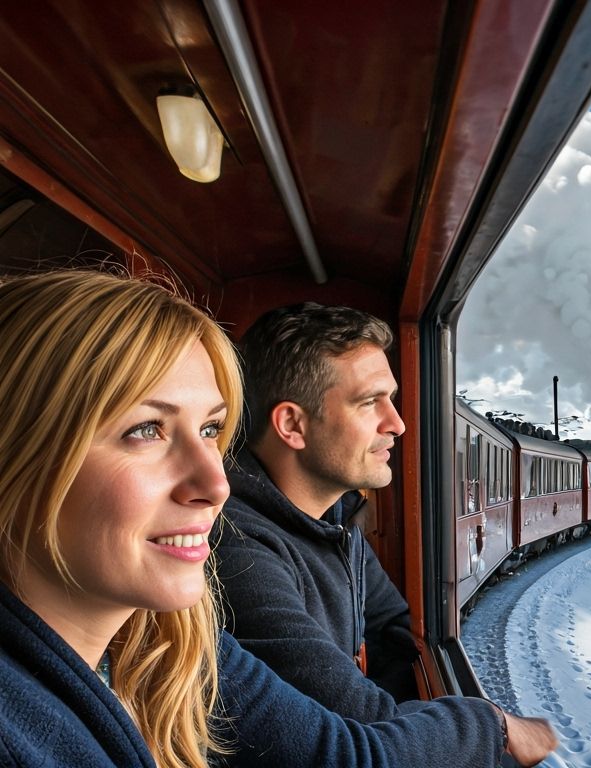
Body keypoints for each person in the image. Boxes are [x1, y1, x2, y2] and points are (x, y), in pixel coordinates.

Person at [0, 269, 524, 767]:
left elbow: (392, 633)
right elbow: (351, 755)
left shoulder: (169, 633)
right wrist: (491, 726)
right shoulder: (228, 558)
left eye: (210, 430)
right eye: (146, 430)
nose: (215, 485)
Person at [211, 302, 555, 757]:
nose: (397, 423)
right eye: (370, 402)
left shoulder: (339, 517)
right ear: (292, 424)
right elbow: (366, 725)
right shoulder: (233, 547)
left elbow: (394, 628)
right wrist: (494, 726)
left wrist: (415, 716)